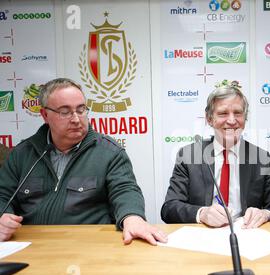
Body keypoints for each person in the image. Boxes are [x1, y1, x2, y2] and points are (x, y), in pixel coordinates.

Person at [0, 78, 167, 245]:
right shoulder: (22, 153)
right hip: (32, 246)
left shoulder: (109, 152)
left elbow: (125, 190)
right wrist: (3, 215)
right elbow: (3, 194)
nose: (76, 119)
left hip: (89, 246)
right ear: (45, 115)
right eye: (65, 112)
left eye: (81, 110)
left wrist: (132, 217)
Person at [161, 80, 270, 228]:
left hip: (247, 238)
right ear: (209, 119)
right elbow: (169, 209)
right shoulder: (188, 156)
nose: (231, 120)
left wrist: (265, 214)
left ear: (245, 118)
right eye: (223, 113)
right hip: (203, 237)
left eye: (238, 113)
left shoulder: (261, 158)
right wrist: (202, 213)